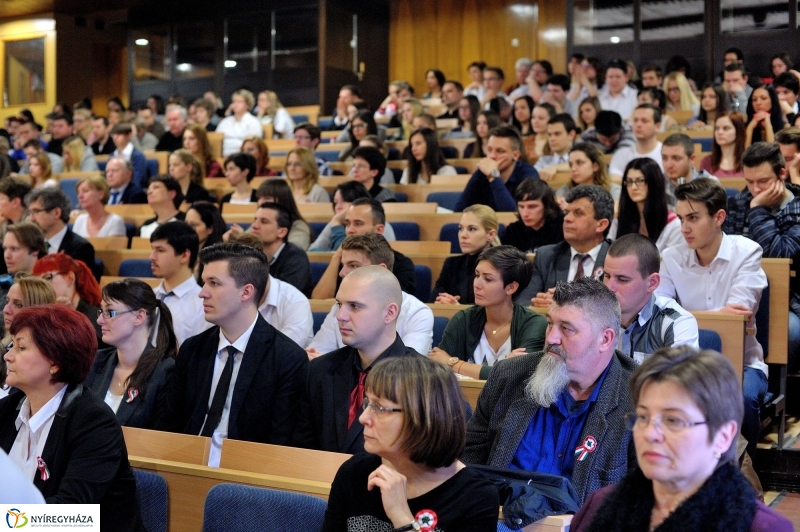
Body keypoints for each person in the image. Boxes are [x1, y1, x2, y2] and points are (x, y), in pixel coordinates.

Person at [570, 346, 793, 532]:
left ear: (723, 437)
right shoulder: (599, 506)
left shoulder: (763, 527)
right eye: (643, 417)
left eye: (673, 421)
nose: (649, 433)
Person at [463, 277, 636, 505]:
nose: (551, 338)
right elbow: (469, 466)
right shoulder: (509, 377)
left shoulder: (639, 398)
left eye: (566, 329)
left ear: (605, 339)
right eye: (549, 324)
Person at [156, 243, 308, 467]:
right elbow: (168, 425)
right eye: (204, 282)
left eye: (214, 283)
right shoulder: (192, 349)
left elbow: (280, 444)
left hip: (245, 478)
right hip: (183, 464)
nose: (202, 292)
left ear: (246, 292)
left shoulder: (286, 358)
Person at [0, 305, 143, 530]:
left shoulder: (94, 423)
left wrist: (4, 522)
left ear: (55, 363)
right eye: (11, 346)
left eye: (21, 347)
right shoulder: (6, 411)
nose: (8, 356)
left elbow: (72, 515)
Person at [655, 178, 767, 460]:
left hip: (740, 362)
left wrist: (683, 317)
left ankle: (743, 475)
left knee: (743, 397)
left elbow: (738, 316)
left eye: (693, 218)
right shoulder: (670, 257)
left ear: (719, 217)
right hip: (687, 360)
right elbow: (658, 312)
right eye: (681, 218)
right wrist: (716, 316)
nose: (684, 228)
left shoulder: (747, 252)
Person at [321, 356, 499, 532]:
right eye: (368, 403)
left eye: (379, 408)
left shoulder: (475, 497)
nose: (363, 418)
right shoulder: (354, 472)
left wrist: (402, 518)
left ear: (424, 417)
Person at [294, 265, 422, 453]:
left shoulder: (423, 381)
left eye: (354, 306)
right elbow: (301, 448)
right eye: (339, 304)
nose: (340, 316)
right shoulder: (319, 371)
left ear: (390, 313)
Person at [724, 141, 800, 372]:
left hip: (788, 301)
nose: (755, 190)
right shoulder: (737, 204)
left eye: (763, 181)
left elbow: (781, 254)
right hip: (735, 293)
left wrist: (757, 209)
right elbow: (727, 250)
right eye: (749, 182)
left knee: (790, 333)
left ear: (782, 174)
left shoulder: (797, 207)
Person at [430, 245, 547, 379]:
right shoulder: (463, 319)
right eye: (477, 275)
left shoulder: (533, 323)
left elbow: (517, 375)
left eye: (488, 279)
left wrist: (453, 364)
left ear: (511, 288)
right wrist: (502, 368)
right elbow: (437, 367)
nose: (476, 284)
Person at [307, 232, 429, 355]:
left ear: (381, 269)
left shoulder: (416, 312)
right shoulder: (339, 307)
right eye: (343, 265)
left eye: (353, 265)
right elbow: (315, 354)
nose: (342, 273)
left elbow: (408, 367)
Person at [85, 279, 177, 429]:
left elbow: (160, 439)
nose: (100, 320)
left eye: (109, 312)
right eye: (101, 311)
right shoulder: (95, 361)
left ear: (139, 316)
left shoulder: (165, 372)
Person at [602, 234, 698, 363]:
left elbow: (679, 381)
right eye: (607, 276)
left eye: (622, 279)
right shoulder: (592, 317)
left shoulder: (676, 322)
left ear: (652, 283)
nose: (609, 287)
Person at [515, 184, 614, 306]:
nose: (567, 218)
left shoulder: (617, 258)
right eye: (566, 212)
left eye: (578, 213)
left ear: (601, 225)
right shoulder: (545, 256)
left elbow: (622, 306)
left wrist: (564, 303)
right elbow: (522, 303)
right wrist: (538, 303)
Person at [313, 198, 416, 297]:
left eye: (358, 223)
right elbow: (319, 302)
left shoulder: (401, 263)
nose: (350, 230)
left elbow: (395, 302)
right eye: (347, 224)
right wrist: (336, 257)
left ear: (379, 229)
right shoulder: (343, 260)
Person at [150, 221, 212, 345]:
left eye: (160, 250)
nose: (152, 257)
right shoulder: (148, 296)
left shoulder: (202, 305)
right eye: (152, 249)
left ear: (184, 255)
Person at [455, 125, 539, 212]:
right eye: (489, 150)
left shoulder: (529, 174)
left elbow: (514, 214)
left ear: (515, 155)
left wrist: (493, 176)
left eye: (500, 151)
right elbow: (459, 210)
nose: (492, 156)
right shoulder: (482, 172)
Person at [0, 274, 56, 399]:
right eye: (7, 301)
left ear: (38, 311)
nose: (6, 310)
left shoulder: (42, 359)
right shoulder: (3, 347)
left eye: (18, 305)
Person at [431, 204, 499, 305]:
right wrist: (442, 301)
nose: (463, 235)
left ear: (490, 235)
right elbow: (433, 299)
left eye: (471, 229)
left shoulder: (501, 266)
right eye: (461, 228)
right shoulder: (452, 264)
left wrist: (459, 309)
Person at [612, 158, 682, 252]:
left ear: (654, 182)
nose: (633, 187)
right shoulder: (618, 221)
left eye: (640, 181)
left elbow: (671, 262)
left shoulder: (673, 225)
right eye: (629, 181)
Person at [33, 252, 103, 341]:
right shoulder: (42, 313)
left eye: (47, 278)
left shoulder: (95, 316)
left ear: (70, 278)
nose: (42, 286)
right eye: (38, 282)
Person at [26, 188, 95, 271]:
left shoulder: (81, 248)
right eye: (30, 213)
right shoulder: (30, 245)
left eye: (36, 211)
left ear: (56, 213)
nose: (31, 219)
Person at [501, 177, 564, 253]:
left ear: (546, 206)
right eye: (521, 206)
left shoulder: (563, 227)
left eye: (532, 206)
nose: (525, 213)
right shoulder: (513, 232)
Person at [253, 178, 314, 250]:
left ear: (282, 200)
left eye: (267, 198)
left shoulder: (299, 226)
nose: (260, 202)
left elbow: (294, 251)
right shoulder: (257, 223)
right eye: (259, 198)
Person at [609, 104, 664, 181]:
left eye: (644, 121)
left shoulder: (665, 154)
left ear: (657, 127)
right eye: (635, 120)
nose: (638, 124)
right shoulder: (621, 154)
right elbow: (614, 179)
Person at [700, 112, 747, 178]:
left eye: (726, 128)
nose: (720, 132)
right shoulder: (707, 162)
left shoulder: (749, 161)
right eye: (717, 128)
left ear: (738, 131)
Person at [217, 90, 264, 156]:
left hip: (242, 157)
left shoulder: (253, 122)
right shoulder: (225, 122)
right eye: (234, 102)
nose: (235, 104)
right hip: (221, 154)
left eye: (239, 102)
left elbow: (253, 144)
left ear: (247, 105)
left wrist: (235, 156)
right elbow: (216, 140)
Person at [534, 114, 578, 180]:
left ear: (571, 135)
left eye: (557, 134)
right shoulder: (543, 162)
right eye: (549, 134)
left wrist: (556, 168)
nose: (552, 139)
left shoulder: (582, 157)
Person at [110, 122, 148, 188]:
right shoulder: (112, 155)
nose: (115, 137)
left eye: (119, 134)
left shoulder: (138, 156)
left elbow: (137, 181)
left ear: (129, 135)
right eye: (114, 134)